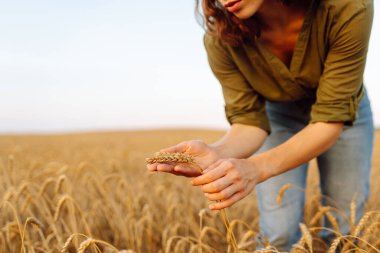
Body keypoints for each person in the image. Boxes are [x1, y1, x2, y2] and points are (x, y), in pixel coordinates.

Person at [146, 0, 374, 250]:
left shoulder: (350, 5)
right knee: (278, 232)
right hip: (278, 114)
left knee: (345, 225)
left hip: (343, 111)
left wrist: (256, 168)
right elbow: (249, 121)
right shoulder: (220, 38)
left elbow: (331, 118)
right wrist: (218, 152)